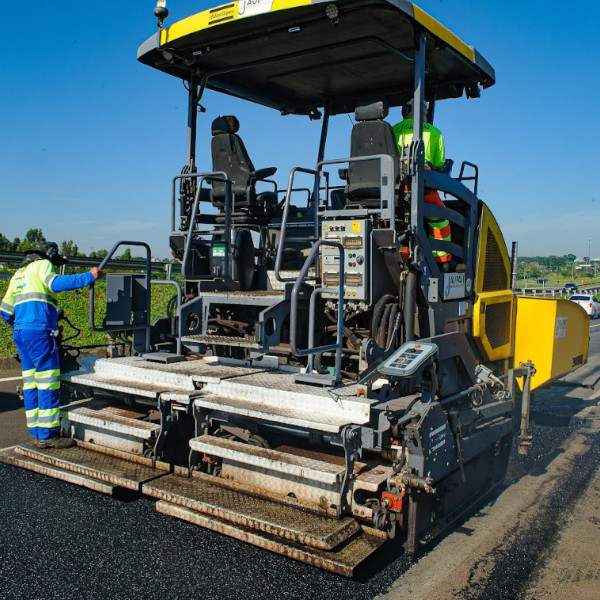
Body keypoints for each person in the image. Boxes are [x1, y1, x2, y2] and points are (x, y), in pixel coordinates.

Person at [0, 242, 101, 448]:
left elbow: (5, 311)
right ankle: (48, 436)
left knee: (31, 384)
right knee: (48, 382)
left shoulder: (19, 274)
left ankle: (36, 432)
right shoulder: (43, 265)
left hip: (22, 334)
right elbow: (55, 284)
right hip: (39, 334)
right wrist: (89, 276)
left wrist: (24, 323)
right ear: (49, 255)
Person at [393, 99, 453, 269]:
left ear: (405, 110)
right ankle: (442, 262)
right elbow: (439, 164)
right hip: (420, 189)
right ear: (424, 112)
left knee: (395, 220)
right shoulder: (435, 132)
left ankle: (399, 254)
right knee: (440, 218)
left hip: (393, 192)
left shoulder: (391, 130)